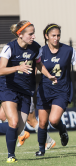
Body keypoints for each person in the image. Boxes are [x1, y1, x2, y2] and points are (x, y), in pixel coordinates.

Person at [35, 23, 76, 156]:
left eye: (58, 35)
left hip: (62, 91)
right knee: (42, 122)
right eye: (53, 35)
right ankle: (41, 149)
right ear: (47, 36)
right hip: (45, 90)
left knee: (53, 120)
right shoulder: (41, 51)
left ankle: (62, 129)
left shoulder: (68, 50)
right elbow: (36, 67)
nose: (56, 38)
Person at [0, 20, 57, 163]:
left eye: (33, 33)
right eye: (30, 34)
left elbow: (39, 64)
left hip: (26, 90)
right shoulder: (9, 48)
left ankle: (16, 140)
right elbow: (1, 70)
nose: (33, 36)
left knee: (19, 129)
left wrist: (48, 75)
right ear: (20, 34)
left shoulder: (36, 48)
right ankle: (11, 156)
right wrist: (17, 68)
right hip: (9, 88)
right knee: (12, 123)